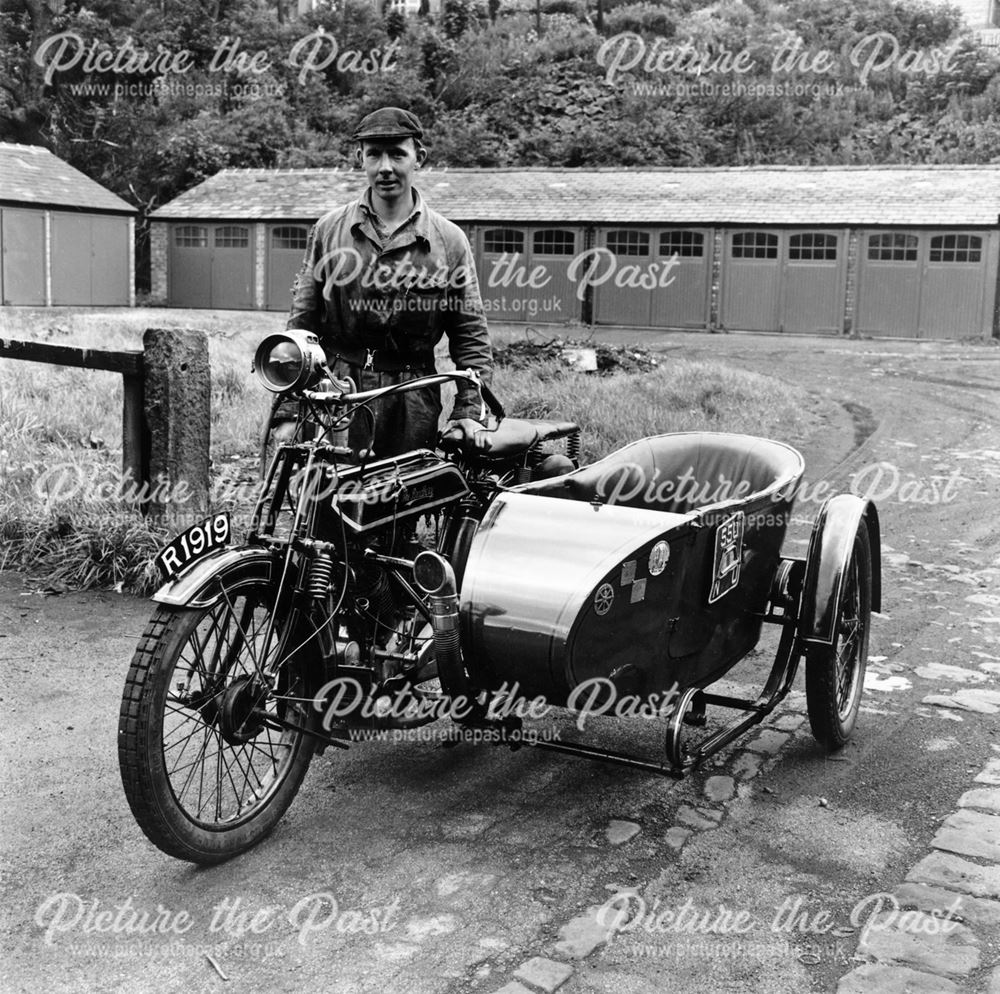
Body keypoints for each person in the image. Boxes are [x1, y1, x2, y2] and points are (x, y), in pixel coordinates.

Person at [284, 106, 493, 458]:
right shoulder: (329, 231)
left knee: (400, 504)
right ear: (359, 158)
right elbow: (300, 328)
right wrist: (290, 410)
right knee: (326, 500)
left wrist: (469, 412)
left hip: (411, 399)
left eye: (397, 154)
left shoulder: (448, 241)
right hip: (336, 393)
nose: (385, 167)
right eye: (374, 154)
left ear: (418, 158)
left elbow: (470, 336)